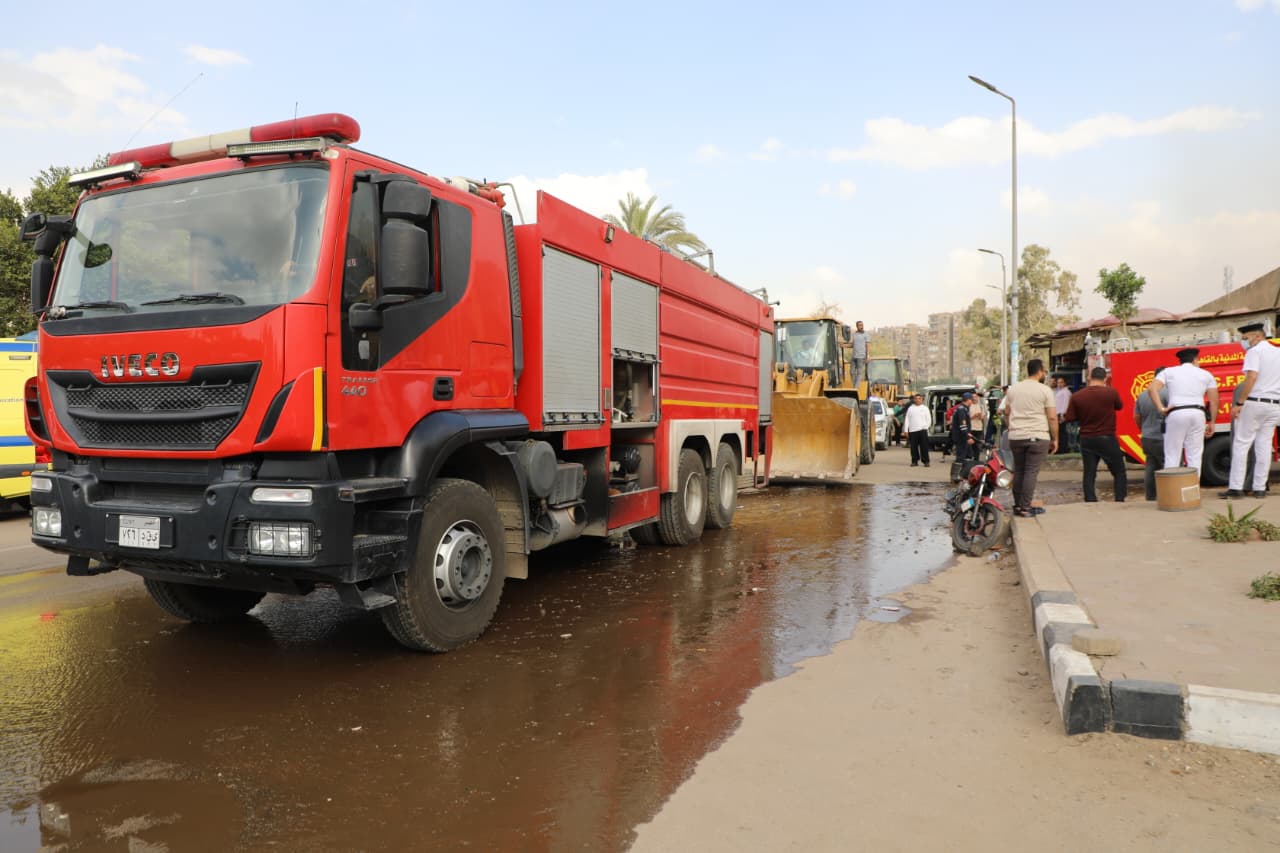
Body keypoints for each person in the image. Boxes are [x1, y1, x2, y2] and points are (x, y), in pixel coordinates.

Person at [1220, 322, 1280, 499]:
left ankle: (1236, 488)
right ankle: (1259, 488)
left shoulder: (1255, 352)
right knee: (1264, 447)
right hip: (1275, 405)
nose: (1244, 342)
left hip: (1255, 403)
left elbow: (1251, 377)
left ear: (1258, 336)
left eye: (1245, 338)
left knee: (1241, 444)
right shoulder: (1278, 352)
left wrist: (1239, 402)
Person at [1001, 358, 1058, 518]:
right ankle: (1025, 507)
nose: (1045, 373)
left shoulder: (1013, 390)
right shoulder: (1045, 390)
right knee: (1031, 472)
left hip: (1016, 437)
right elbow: (1052, 417)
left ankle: (1018, 505)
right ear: (1039, 371)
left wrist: (1011, 428)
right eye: (1044, 371)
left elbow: (1007, 413)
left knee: (1019, 470)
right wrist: (1055, 438)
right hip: (1037, 436)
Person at [1148, 347, 1216, 475]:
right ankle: (1193, 486)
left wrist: (1161, 408)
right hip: (1198, 413)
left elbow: (1152, 389)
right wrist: (1212, 422)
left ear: (1180, 360)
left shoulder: (1169, 372)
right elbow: (1213, 401)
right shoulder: (1206, 374)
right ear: (1195, 360)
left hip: (1176, 413)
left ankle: (1172, 486)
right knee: (1195, 455)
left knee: (1172, 454)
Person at [1063, 366, 1127, 502]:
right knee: (1119, 471)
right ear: (1105, 379)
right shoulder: (1111, 393)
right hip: (1107, 437)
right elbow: (1119, 406)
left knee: (1089, 472)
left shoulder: (1077, 396)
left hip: (1087, 438)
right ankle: (1119, 499)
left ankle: (1090, 499)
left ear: (1090, 377)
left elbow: (1070, 418)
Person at [1134, 367, 1168, 501]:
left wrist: (1143, 428)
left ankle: (1150, 496)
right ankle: (1168, 496)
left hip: (1147, 437)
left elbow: (1137, 417)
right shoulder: (1168, 393)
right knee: (1168, 467)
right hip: (1162, 437)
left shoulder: (1142, 395)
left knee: (1150, 466)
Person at [903, 392, 932, 467]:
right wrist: (906, 430)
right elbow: (907, 419)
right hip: (913, 430)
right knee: (913, 447)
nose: (918, 400)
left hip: (922, 430)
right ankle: (914, 461)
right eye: (916, 399)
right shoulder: (910, 408)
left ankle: (926, 461)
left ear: (922, 400)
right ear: (914, 400)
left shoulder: (925, 408)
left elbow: (929, 419)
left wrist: (925, 427)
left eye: (919, 399)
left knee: (924, 447)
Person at [950, 391, 976, 464]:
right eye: (971, 400)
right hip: (961, 437)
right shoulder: (962, 410)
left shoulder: (963, 408)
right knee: (961, 457)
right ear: (968, 400)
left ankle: (964, 469)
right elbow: (963, 426)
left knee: (969, 455)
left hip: (962, 436)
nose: (972, 402)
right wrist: (968, 438)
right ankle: (957, 470)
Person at [1053, 377, 1072, 454]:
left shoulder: (1066, 392)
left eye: (1061, 382)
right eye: (1058, 382)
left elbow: (1065, 404)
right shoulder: (1060, 391)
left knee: (1062, 432)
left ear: (1065, 383)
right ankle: (1060, 448)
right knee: (1060, 432)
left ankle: (1063, 449)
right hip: (1057, 414)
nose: (1059, 384)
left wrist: (1062, 415)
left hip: (1061, 414)